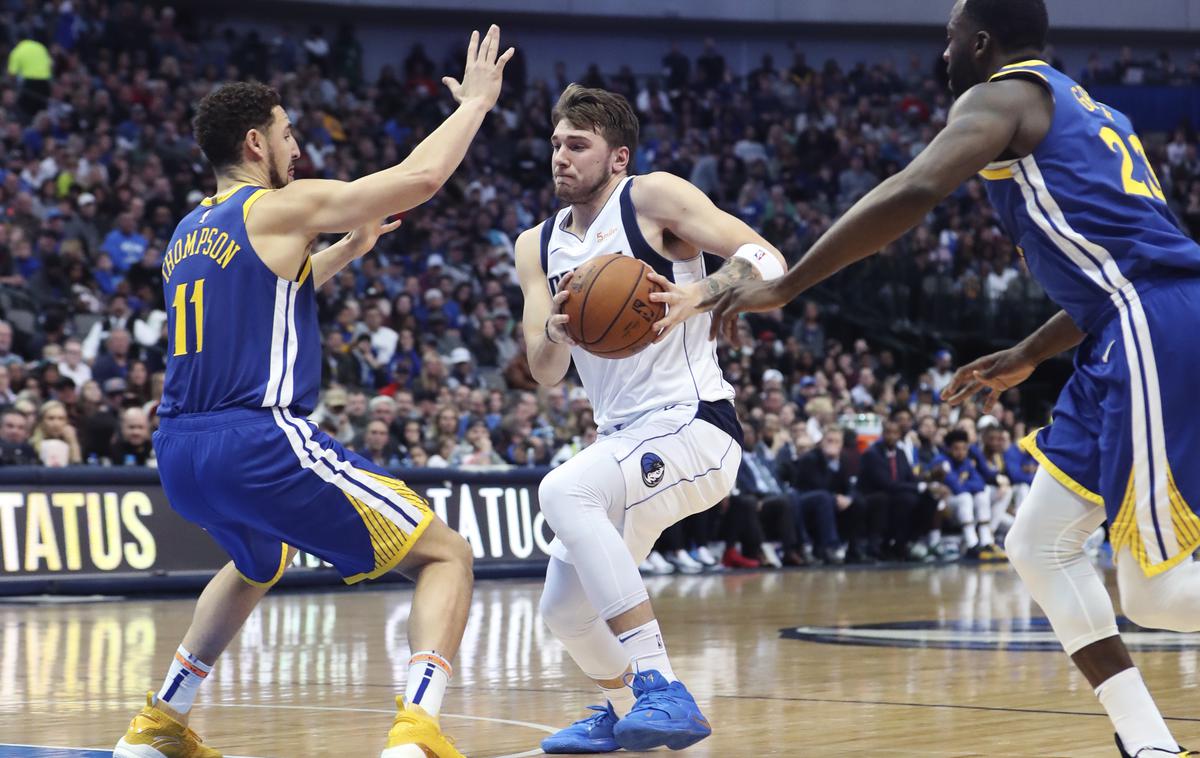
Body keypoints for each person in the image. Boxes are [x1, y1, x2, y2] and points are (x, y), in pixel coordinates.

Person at [685, 1, 1200, 754]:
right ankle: (1147, 743)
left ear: (981, 40)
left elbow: (915, 188)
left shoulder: (1003, 95)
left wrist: (790, 282)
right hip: (1122, 324)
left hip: (1150, 324)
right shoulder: (1092, 111)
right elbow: (1115, 269)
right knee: (1039, 545)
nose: (945, 49)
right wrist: (1029, 349)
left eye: (951, 35)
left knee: (1153, 593)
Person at [113, 26, 514, 758]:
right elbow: (419, 180)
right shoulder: (273, 207)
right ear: (254, 144)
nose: (297, 148)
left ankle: (161, 721)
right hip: (255, 440)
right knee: (448, 555)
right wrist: (477, 104)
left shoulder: (186, 232)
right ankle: (418, 731)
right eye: (287, 133)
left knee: (258, 563)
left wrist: (344, 252)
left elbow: (259, 303)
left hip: (179, 451)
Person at [516, 83, 785, 753]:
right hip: (625, 441)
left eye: (577, 145)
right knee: (564, 612)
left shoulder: (652, 197)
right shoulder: (535, 245)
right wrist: (555, 330)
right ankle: (621, 706)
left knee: (563, 489)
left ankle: (663, 685)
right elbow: (545, 370)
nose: (560, 157)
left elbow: (766, 258)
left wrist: (702, 292)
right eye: (555, 145)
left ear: (617, 156)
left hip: (695, 424)